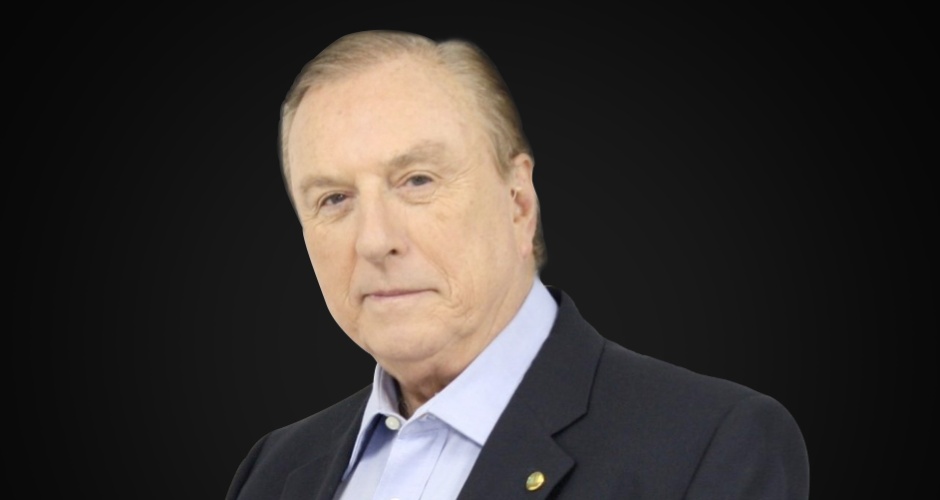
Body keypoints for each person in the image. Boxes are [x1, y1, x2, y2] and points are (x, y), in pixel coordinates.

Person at [226, 30, 810, 499]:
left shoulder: (710, 444)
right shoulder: (272, 471)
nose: (375, 241)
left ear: (518, 203)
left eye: (418, 181)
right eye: (333, 199)